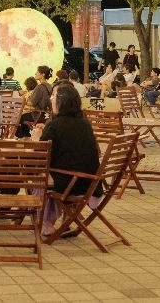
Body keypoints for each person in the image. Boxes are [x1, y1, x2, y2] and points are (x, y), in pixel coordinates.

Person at [32, 83, 102, 237]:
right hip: (90, 183)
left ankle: (48, 224)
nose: (51, 99)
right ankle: (67, 218)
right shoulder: (84, 123)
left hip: (70, 184)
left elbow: (41, 154)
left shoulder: (55, 125)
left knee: (40, 175)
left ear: (62, 101)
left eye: (53, 96)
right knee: (52, 171)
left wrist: (37, 137)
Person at [17, 66, 53, 137]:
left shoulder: (39, 87)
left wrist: (24, 101)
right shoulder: (50, 86)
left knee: (20, 117)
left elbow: (32, 103)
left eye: (37, 72)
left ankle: (23, 138)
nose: (35, 73)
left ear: (42, 74)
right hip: (48, 114)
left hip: (38, 115)